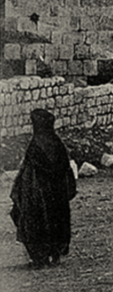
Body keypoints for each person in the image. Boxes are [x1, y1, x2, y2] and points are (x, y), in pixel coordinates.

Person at [10, 109, 77, 268]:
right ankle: (55, 254)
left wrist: (20, 192)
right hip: (57, 195)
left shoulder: (35, 146)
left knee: (37, 222)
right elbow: (66, 170)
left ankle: (40, 259)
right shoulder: (58, 143)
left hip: (38, 196)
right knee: (56, 221)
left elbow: (27, 174)